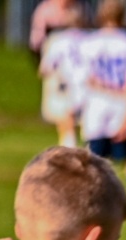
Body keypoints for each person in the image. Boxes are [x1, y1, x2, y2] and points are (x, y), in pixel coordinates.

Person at [77, 0, 126, 233]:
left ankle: (89, 213)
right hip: (122, 109)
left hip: (97, 111)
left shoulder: (88, 44)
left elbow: (88, 80)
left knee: (93, 165)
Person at [38, 13, 87, 150]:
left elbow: (46, 68)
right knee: (87, 124)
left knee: (66, 121)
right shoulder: (90, 39)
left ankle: (69, 151)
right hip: (88, 85)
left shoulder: (59, 41)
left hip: (69, 85)